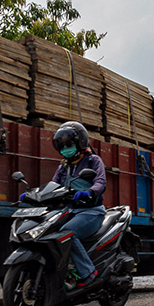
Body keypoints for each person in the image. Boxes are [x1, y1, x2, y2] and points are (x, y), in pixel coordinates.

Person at [29, 121, 106, 289]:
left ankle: (88, 272)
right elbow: (52, 185)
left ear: (80, 142)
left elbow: (100, 182)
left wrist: (90, 192)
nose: (65, 148)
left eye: (68, 143)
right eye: (61, 145)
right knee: (48, 231)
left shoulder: (93, 160)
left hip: (91, 211)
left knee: (67, 233)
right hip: (68, 211)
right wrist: (33, 194)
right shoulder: (63, 167)